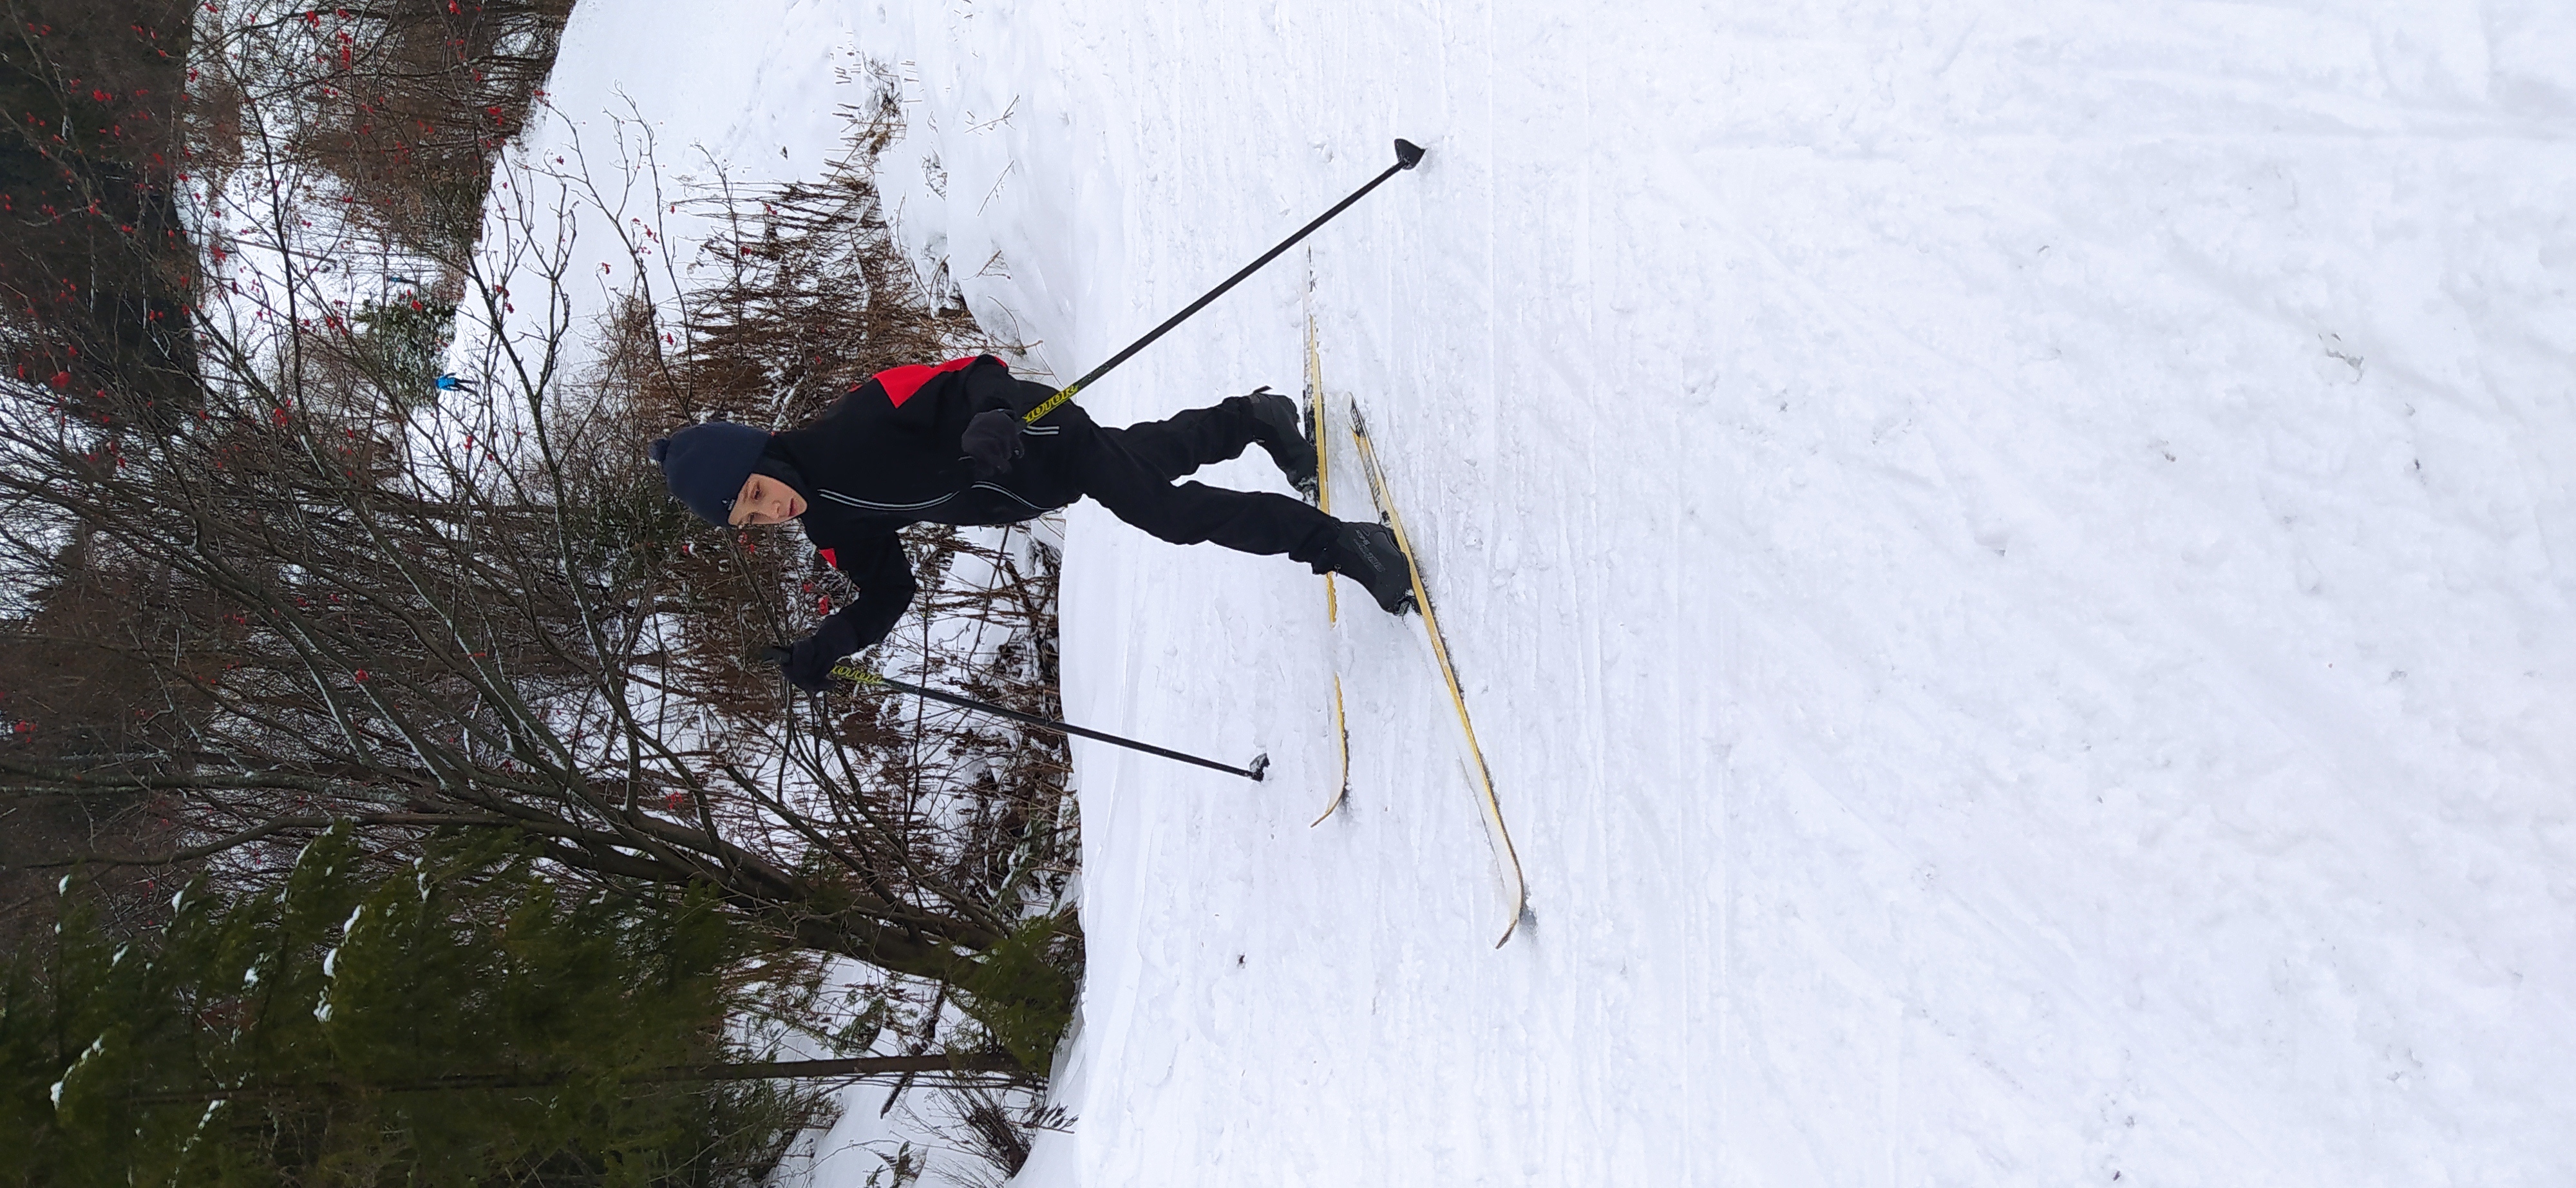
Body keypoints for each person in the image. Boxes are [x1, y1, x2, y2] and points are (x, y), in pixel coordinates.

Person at [652, 354, 1415, 693]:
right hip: (1026, 490)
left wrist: (989, 416)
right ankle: (1256, 417)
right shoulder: (833, 528)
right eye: (747, 516)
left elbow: (969, 375)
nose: (766, 510)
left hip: (1039, 433)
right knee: (1150, 457)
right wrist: (828, 645)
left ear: (758, 451)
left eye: (754, 488)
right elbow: (889, 594)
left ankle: (1341, 543)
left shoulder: (859, 417)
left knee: (1171, 514)